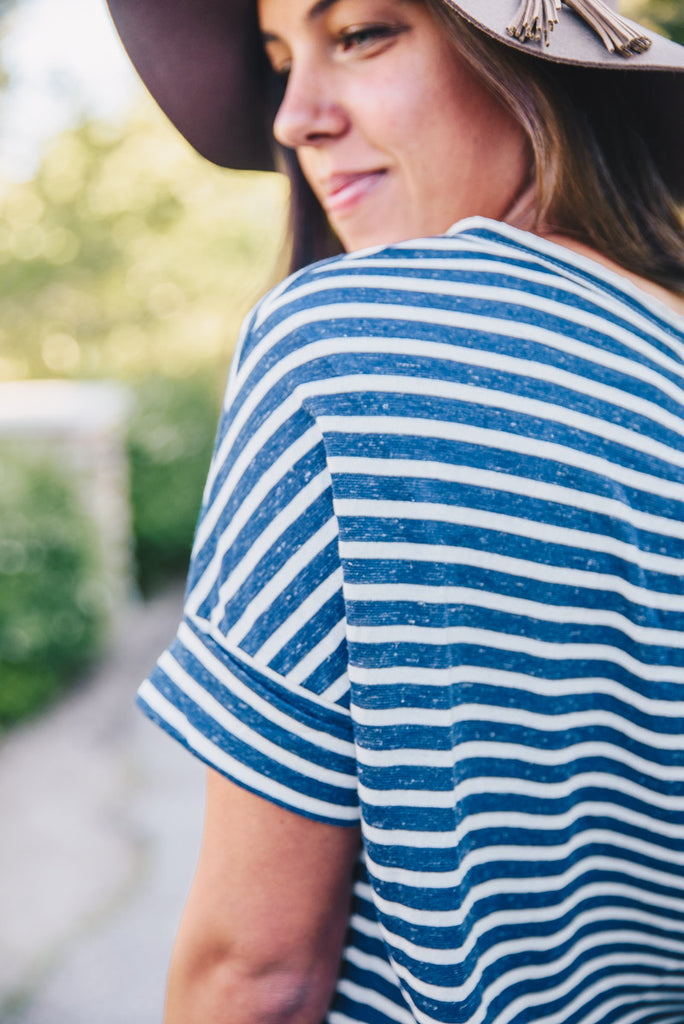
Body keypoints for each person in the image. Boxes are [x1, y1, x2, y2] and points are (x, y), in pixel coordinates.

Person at [106, 0, 684, 1021]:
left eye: (364, 33)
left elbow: (257, 973)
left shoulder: (347, 346)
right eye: (281, 60)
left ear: (529, 57)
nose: (292, 117)